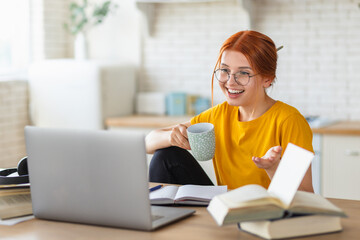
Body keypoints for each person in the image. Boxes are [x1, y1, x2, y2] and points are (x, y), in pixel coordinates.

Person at [146, 30, 314, 192]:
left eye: (243, 73)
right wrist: (172, 137)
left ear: (267, 79)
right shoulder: (218, 115)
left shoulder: (289, 120)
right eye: (225, 70)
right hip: (224, 206)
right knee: (165, 157)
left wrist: (274, 169)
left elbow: (306, 196)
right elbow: (148, 142)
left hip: (267, 214)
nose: (230, 82)